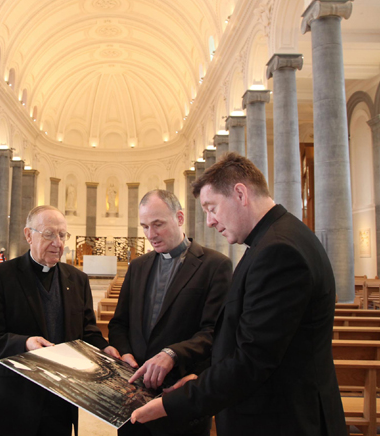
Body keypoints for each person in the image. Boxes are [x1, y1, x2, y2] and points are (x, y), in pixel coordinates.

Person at [130, 153, 346, 436]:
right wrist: (203, 378)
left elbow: (252, 360)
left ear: (240, 193)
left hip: (283, 420)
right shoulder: (274, 239)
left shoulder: (279, 251)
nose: (209, 221)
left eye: (211, 207)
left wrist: (171, 403)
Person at [0, 205, 121, 436]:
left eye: (62, 235)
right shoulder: (2, 276)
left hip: (61, 401)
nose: (58, 242)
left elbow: (87, 332)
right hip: (14, 399)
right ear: (28, 235)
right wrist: (25, 344)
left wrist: (106, 348)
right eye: (49, 234)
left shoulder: (77, 279)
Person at [109, 190, 232, 436]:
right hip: (132, 400)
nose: (150, 235)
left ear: (179, 217)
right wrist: (125, 354)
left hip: (181, 397)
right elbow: (119, 324)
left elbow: (214, 332)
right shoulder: (137, 266)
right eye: (144, 226)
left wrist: (173, 353)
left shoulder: (215, 265)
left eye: (158, 224)